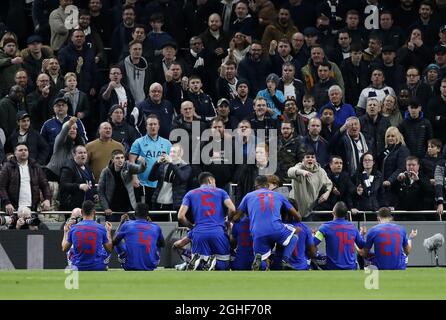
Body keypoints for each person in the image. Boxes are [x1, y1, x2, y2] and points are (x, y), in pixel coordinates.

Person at [232, 175, 301, 271]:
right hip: (276, 228)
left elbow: (236, 217)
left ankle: (261, 263)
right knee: (294, 235)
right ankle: (284, 261)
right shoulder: (279, 195)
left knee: (263, 259)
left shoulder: (248, 196)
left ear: (255, 186)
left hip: (257, 232)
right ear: (267, 185)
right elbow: (298, 216)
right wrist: (295, 223)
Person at [178, 172, 236, 271]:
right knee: (224, 266)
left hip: (199, 233)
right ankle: (213, 263)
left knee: (199, 267)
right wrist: (228, 221)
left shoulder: (190, 194)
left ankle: (200, 262)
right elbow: (232, 209)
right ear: (210, 180)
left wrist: (192, 227)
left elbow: (180, 216)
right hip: (218, 232)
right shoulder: (221, 192)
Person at [129, 114, 172, 206]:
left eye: (155, 124)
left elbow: (171, 162)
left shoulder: (167, 143)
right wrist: (134, 177)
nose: (153, 126)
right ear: (146, 126)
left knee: (158, 212)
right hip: (143, 183)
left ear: (159, 126)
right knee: (145, 210)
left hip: (160, 184)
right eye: (150, 124)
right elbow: (131, 161)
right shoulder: (138, 142)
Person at [0, 143, 51, 214]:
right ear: (15, 153)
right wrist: (6, 202)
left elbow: (44, 184)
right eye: (20, 150)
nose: (23, 152)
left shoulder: (35, 166)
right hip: (12, 208)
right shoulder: (7, 167)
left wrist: (47, 199)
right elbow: (1, 187)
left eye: (25, 150)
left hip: (32, 207)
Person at [62, 200, 113, 271]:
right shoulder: (101, 228)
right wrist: (108, 232)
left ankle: (71, 264)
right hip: (97, 266)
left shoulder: (73, 228)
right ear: (94, 212)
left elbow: (64, 248)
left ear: (82, 212)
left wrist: (65, 232)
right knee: (105, 244)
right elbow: (109, 249)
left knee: (70, 247)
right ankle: (104, 265)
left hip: (78, 266)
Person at [313, 201, 366, 270]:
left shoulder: (325, 227)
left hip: (332, 267)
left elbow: (313, 243)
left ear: (333, 213)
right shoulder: (353, 227)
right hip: (351, 267)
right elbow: (361, 244)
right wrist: (361, 234)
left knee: (313, 256)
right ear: (346, 214)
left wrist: (312, 235)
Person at [112, 203, 165, 271]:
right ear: (148, 216)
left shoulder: (127, 225)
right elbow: (163, 244)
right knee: (157, 242)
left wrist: (121, 222)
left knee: (117, 241)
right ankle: (151, 258)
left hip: (130, 265)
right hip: (151, 264)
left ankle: (127, 258)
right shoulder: (155, 227)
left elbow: (114, 242)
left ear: (134, 214)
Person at [98, 149, 146, 221]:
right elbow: (100, 191)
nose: (120, 160)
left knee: (129, 229)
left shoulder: (128, 166)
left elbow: (140, 169)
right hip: (112, 208)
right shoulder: (106, 171)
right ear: (112, 160)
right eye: (117, 158)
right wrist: (106, 207)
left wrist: (143, 163)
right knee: (114, 230)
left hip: (128, 207)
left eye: (122, 157)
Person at [288, 150, 333, 221]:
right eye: (307, 157)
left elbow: (329, 184)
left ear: (315, 160)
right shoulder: (299, 167)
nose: (310, 159)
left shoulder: (321, 171)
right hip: (294, 210)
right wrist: (302, 172)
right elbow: (290, 172)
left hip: (309, 211)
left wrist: (327, 193)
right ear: (303, 160)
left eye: (312, 157)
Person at [148, 143, 194, 211]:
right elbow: (151, 178)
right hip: (157, 202)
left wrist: (171, 163)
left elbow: (183, 178)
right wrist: (157, 163)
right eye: (171, 152)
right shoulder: (164, 165)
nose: (171, 154)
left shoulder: (186, 167)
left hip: (174, 204)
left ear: (181, 154)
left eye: (174, 152)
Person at [59, 145, 98, 211]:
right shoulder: (68, 168)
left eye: (85, 153)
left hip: (88, 207)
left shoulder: (88, 168)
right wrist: (79, 186)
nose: (83, 155)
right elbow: (63, 185)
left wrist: (95, 194)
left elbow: (92, 184)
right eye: (80, 153)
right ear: (74, 155)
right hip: (73, 207)